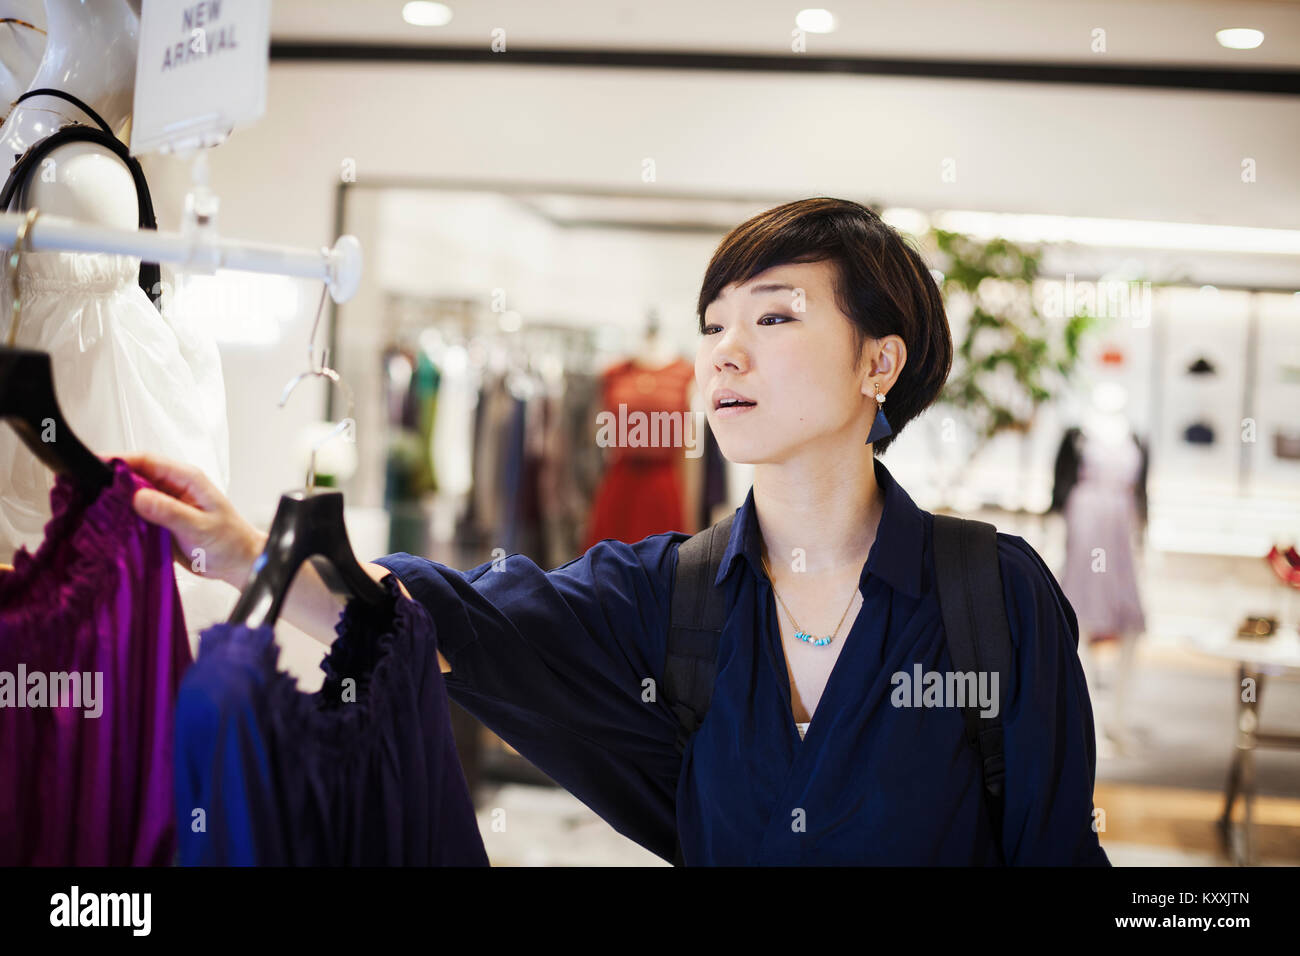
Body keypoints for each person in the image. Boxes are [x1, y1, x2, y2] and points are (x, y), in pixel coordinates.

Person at [127, 197, 1110, 866]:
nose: (724, 351)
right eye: (713, 323)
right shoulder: (666, 595)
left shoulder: (991, 595)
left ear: (878, 361)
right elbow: (444, 620)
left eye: (772, 319)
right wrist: (248, 551)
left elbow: (1057, 852)